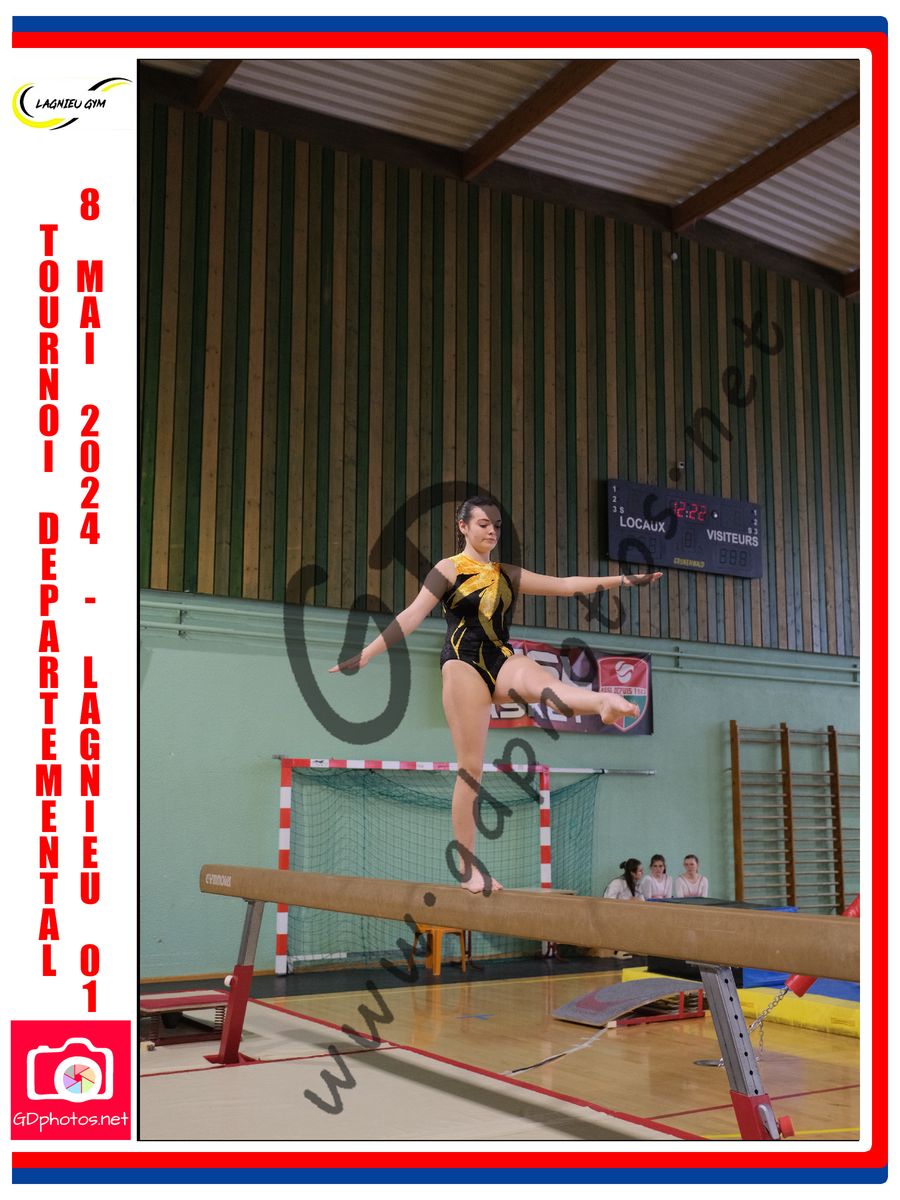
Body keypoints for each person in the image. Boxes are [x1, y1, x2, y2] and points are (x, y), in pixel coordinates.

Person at [330, 495, 662, 894]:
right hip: (463, 663)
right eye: (483, 524)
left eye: (496, 526)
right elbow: (412, 614)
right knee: (471, 769)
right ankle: (468, 869)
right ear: (463, 526)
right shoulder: (448, 569)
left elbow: (566, 585)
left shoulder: (507, 573)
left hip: (501, 657)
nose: (491, 531)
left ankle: (601, 702)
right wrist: (368, 652)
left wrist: (622, 580)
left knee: (543, 683)